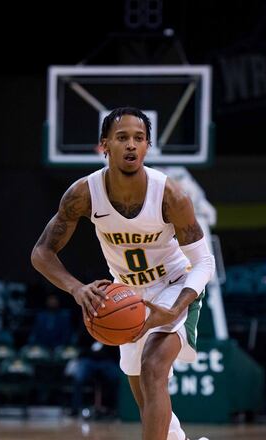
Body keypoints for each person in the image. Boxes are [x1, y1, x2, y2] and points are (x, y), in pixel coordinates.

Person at [31, 107, 215, 440]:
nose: (131, 144)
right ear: (105, 145)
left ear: (147, 146)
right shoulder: (83, 194)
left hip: (174, 285)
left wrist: (176, 308)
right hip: (127, 292)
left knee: (153, 368)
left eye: (139, 138)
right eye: (122, 137)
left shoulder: (171, 195)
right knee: (143, 392)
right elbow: (41, 253)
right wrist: (76, 288)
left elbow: (204, 262)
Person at [70, 324, 121, 419]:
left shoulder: (111, 323)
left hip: (106, 360)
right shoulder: (86, 323)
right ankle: (75, 409)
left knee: (115, 377)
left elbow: (115, 348)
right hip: (88, 359)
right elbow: (80, 343)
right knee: (78, 377)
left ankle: (112, 409)